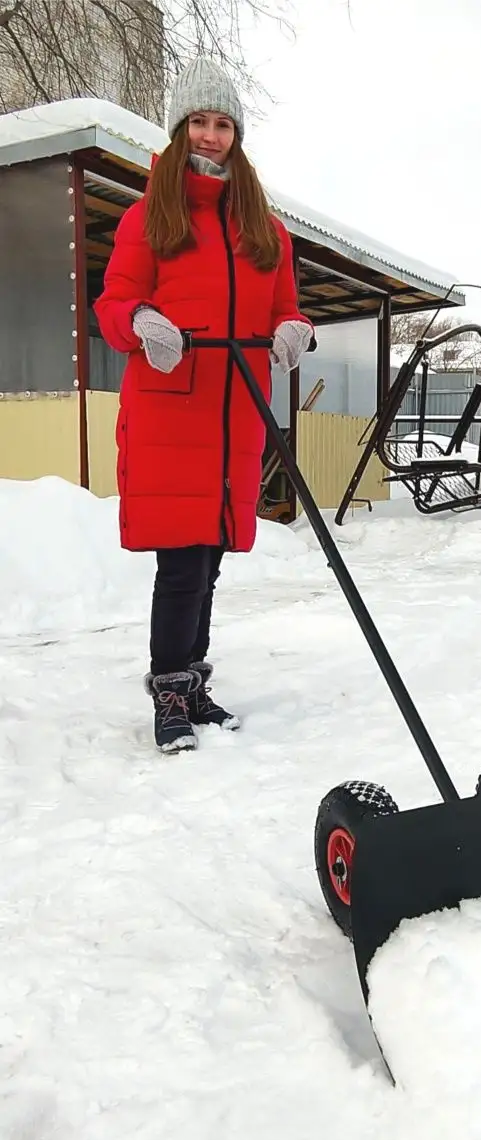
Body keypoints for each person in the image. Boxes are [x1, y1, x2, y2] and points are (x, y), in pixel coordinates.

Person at [95, 57, 315, 754]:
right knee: (182, 564)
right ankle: (168, 689)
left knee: (212, 556)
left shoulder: (265, 229)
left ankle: (193, 685)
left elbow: (285, 307)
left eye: (223, 125)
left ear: (237, 135)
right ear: (179, 128)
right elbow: (113, 304)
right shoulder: (148, 217)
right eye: (200, 122)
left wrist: (292, 331)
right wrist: (141, 325)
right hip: (171, 411)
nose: (212, 136)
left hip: (236, 415)